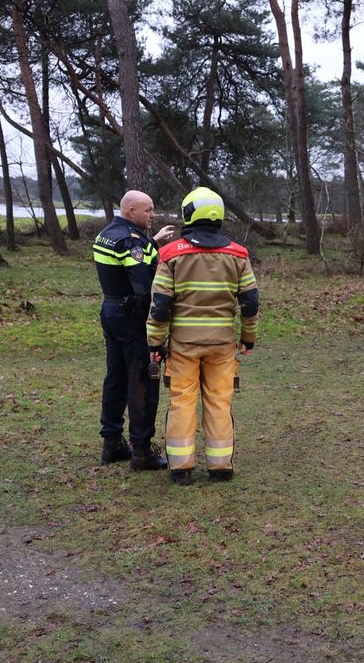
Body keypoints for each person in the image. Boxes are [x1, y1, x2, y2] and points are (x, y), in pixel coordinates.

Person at [148, 187, 259, 485]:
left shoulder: (170, 254)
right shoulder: (238, 254)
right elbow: (250, 302)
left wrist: (154, 343)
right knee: (219, 402)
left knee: (182, 403)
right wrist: (248, 337)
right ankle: (220, 467)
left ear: (188, 214)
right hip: (222, 345)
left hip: (183, 346)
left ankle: (181, 469)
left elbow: (160, 306)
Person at [93, 190, 176, 469]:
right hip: (132, 317)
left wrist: (152, 242)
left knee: (115, 376)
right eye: (148, 210)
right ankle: (141, 451)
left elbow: (129, 261)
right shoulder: (131, 242)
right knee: (143, 381)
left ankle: (112, 442)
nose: (153, 214)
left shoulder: (108, 233)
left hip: (111, 311)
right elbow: (143, 286)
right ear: (132, 212)